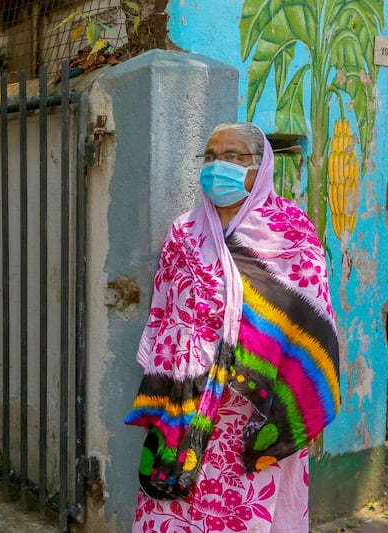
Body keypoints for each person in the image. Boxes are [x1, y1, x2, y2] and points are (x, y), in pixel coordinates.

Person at [124, 122, 340, 531]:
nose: (217, 165)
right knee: (177, 507)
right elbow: (163, 310)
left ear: (261, 168)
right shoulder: (184, 232)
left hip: (254, 407)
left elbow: (310, 323)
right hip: (185, 400)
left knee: (244, 506)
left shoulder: (291, 233)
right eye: (210, 156)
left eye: (232, 156)